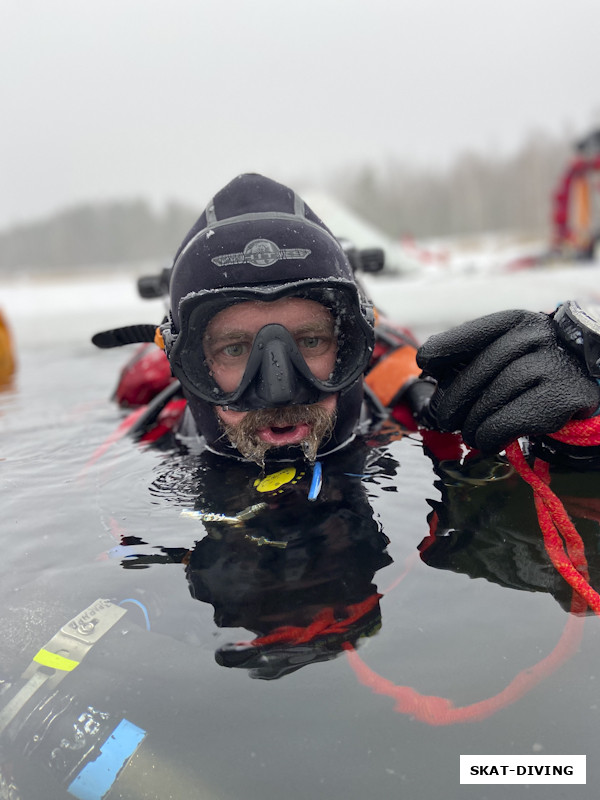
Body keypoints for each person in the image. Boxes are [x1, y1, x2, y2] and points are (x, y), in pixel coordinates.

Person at [95, 172, 600, 468]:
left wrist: (579, 439)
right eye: (233, 349)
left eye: (310, 340)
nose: (280, 390)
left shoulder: (413, 413)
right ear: (187, 365)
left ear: (355, 346)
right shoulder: (145, 433)